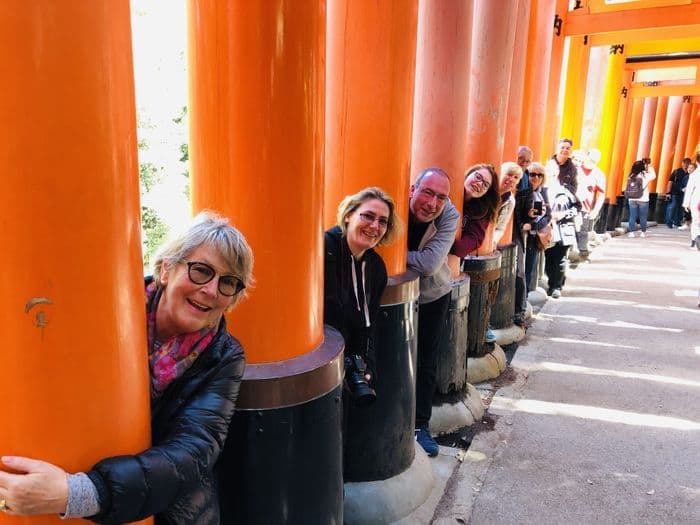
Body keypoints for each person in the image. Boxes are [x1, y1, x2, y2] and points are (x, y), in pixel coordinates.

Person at [0, 211, 254, 524]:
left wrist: (79, 493)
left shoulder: (224, 355)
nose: (212, 290)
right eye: (201, 271)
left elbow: (193, 451)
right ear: (165, 270)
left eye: (228, 283)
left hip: (167, 508)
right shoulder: (107, 308)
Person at [324, 187, 398, 405]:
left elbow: (369, 323)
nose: (374, 226)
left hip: (348, 362)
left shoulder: (376, 268)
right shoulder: (323, 250)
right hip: (320, 367)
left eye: (383, 221)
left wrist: (368, 366)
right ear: (348, 215)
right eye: (367, 216)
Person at [405, 168, 459, 457]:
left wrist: (390, 256)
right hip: (387, 296)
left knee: (426, 359)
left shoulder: (449, 215)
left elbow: (429, 264)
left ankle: (419, 425)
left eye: (441, 196)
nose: (433, 202)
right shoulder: (395, 202)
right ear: (413, 189)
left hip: (432, 294)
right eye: (427, 192)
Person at [491, 162, 524, 330]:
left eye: (516, 177)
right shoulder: (487, 188)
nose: (511, 179)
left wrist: (493, 241)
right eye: (508, 174)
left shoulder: (509, 200)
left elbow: (500, 227)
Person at [544, 163, 581, 299]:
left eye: (553, 173)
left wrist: (564, 214)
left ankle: (556, 286)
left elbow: (577, 206)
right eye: (548, 172)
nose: (550, 175)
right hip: (548, 229)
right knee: (548, 258)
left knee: (560, 258)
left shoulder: (565, 190)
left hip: (563, 228)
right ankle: (552, 283)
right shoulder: (541, 191)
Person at [514, 162, 551, 301]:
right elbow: (517, 214)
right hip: (521, 236)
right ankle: (520, 302)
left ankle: (525, 300)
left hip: (535, 237)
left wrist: (533, 226)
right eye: (532, 174)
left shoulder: (543, 193)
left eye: (540, 175)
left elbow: (548, 215)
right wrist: (526, 223)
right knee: (520, 271)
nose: (536, 177)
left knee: (529, 269)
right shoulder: (522, 192)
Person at [451, 164, 501, 259]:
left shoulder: (481, 211)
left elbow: (465, 246)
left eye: (485, 184)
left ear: (487, 192)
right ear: (468, 174)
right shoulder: (449, 189)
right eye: (478, 177)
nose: (479, 184)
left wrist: (442, 244)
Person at [575, 148, 607, 259]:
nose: (592, 162)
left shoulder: (599, 174)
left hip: (585, 208)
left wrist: (596, 210)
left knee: (582, 231)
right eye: (591, 159)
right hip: (569, 205)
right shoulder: (576, 168)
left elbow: (602, 194)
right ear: (587, 156)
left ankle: (582, 253)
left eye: (595, 161)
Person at [626, 158, 656, 238]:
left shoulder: (630, 176)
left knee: (632, 216)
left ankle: (631, 233)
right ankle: (643, 232)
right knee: (643, 217)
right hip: (643, 199)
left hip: (632, 198)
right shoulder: (645, 175)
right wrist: (649, 166)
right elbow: (654, 175)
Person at [666, 158, 691, 228]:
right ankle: (669, 222)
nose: (686, 165)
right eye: (685, 163)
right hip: (674, 192)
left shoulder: (690, 173)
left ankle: (677, 222)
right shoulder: (677, 171)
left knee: (681, 208)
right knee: (672, 207)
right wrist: (668, 192)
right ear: (682, 163)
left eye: (688, 163)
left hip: (685, 193)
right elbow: (670, 182)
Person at [682, 154, 700, 250]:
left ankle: (695, 242)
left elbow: (689, 189)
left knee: (696, 221)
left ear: (696, 162)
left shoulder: (694, 174)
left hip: (696, 200)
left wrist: (686, 203)